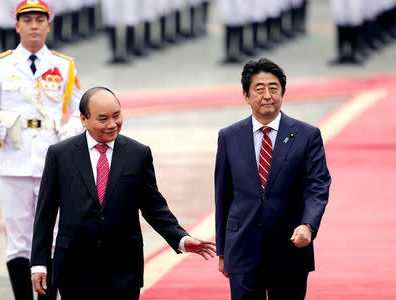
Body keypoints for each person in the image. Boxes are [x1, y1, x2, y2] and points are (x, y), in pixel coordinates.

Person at [31, 87, 216, 299]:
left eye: (117, 115)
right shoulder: (60, 155)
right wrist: (39, 263)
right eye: (103, 119)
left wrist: (181, 238)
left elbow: (154, 207)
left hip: (123, 269)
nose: (112, 124)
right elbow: (45, 214)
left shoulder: (138, 154)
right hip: (75, 267)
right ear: (84, 119)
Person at [0, 0, 83, 299]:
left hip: (52, 160)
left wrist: (69, 131)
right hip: (13, 161)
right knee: (18, 240)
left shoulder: (65, 66)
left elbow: (80, 110)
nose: (34, 25)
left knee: (52, 237)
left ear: (49, 25)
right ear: (17, 25)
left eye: (40, 20)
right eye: (27, 20)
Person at [214, 58, 331, 300]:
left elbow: (317, 185)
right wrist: (223, 250)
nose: (267, 95)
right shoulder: (229, 136)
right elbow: (223, 195)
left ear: (283, 93)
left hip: (290, 248)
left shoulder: (307, 135)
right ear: (246, 96)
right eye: (259, 89)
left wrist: (308, 224)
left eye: (273, 88)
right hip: (243, 249)